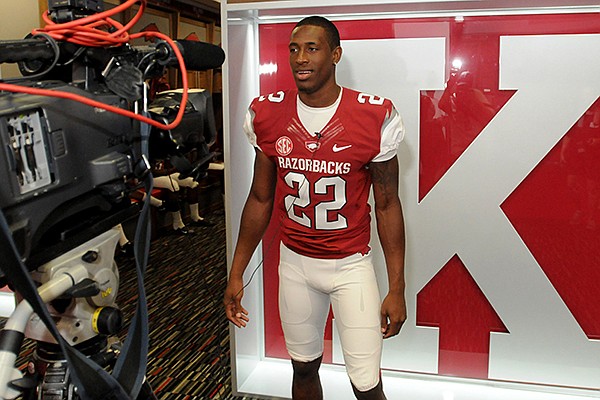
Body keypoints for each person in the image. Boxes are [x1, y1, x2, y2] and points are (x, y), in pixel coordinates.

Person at [223, 16, 406, 400]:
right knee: (303, 368)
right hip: (295, 263)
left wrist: (397, 287)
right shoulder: (269, 113)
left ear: (336, 54)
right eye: (293, 48)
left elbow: (387, 204)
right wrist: (236, 271)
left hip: (350, 265)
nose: (300, 58)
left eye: (312, 48)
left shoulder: (374, 115)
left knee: (366, 383)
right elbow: (260, 198)